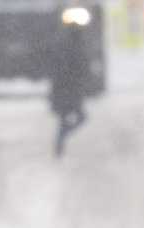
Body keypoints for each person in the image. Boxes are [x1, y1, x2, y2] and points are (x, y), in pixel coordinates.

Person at [47, 23, 91, 158]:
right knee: (78, 117)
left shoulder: (63, 46)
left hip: (64, 90)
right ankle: (60, 143)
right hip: (70, 90)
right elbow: (79, 68)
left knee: (65, 119)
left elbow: (57, 69)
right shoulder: (75, 49)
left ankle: (60, 144)